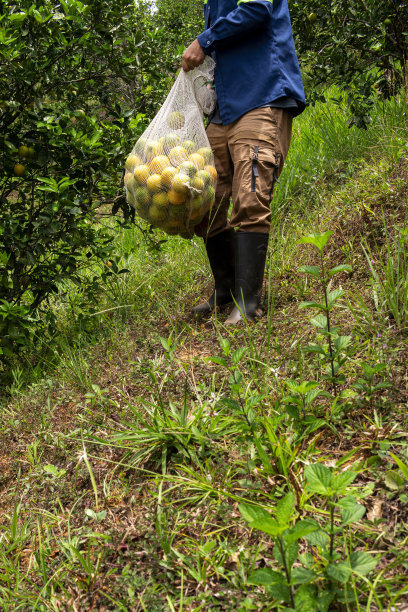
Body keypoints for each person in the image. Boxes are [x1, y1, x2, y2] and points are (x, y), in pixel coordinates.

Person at [182, 0, 305, 325]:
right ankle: (225, 290)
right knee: (205, 196)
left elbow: (258, 9)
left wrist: (203, 40)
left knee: (250, 196)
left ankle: (249, 303)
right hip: (226, 105)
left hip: (261, 95)